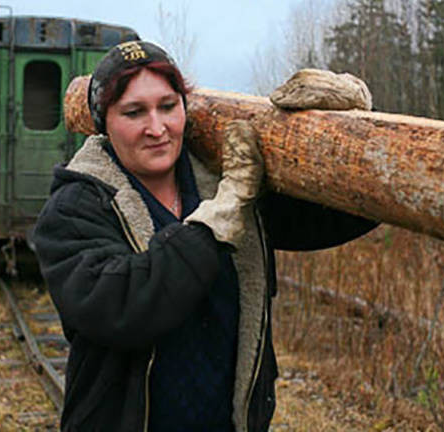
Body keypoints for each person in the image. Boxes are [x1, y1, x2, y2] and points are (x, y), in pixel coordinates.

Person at [33, 40, 378, 432]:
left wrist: (351, 119)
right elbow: (124, 307)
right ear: (104, 124)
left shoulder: (225, 181)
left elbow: (341, 216)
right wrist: (217, 220)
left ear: (185, 107)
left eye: (167, 106)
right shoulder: (75, 208)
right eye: (134, 112)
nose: (157, 128)